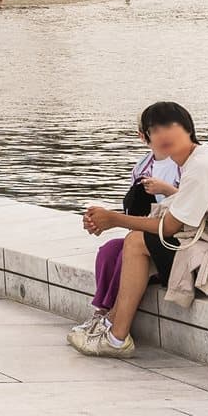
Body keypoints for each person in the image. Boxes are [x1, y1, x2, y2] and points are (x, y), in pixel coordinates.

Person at [75, 102, 208, 358]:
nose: (163, 135)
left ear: (188, 129)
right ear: (146, 139)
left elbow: (168, 227)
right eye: (154, 130)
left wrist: (113, 219)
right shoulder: (195, 161)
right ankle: (106, 319)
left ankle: (115, 337)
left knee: (136, 242)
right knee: (118, 249)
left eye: (170, 126)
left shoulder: (203, 166)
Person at [74, 116, 184, 344]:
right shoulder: (142, 167)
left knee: (128, 251)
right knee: (109, 250)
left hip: (176, 235)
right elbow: (136, 213)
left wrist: (167, 189)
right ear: (143, 136)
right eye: (154, 132)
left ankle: (113, 325)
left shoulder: (183, 164)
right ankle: (102, 312)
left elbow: (190, 206)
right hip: (151, 229)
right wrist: (100, 220)